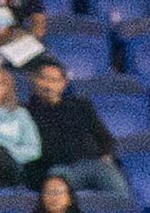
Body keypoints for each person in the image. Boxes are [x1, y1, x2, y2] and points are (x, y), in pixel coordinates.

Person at [25, 55, 128, 203]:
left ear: (64, 84)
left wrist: (106, 154)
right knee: (56, 185)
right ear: (33, 80)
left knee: (115, 184)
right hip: (56, 168)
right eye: (44, 78)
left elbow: (103, 136)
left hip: (92, 163)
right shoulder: (25, 112)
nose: (48, 85)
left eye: (54, 80)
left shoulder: (80, 105)